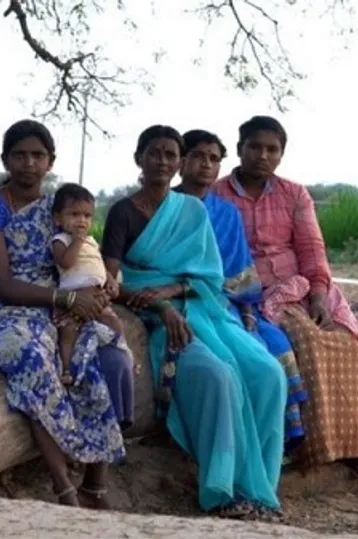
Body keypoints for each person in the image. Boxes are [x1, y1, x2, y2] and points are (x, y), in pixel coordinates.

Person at [101, 125, 288, 520]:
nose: (163, 162)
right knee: (217, 376)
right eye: (155, 153)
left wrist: (170, 294)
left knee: (269, 373)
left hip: (206, 311)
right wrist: (162, 309)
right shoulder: (123, 212)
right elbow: (111, 281)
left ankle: (261, 490)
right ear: (139, 158)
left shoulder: (192, 211)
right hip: (156, 320)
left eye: (171, 154)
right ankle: (221, 490)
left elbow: (209, 277)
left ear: (179, 161)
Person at [0, 119, 134, 510]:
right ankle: (62, 488)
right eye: (19, 155)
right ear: (4, 159)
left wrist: (101, 287)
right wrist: (66, 302)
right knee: (32, 354)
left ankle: (95, 482)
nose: (28, 163)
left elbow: (79, 256)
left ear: (50, 162)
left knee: (99, 349)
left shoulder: (57, 209)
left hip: (52, 303)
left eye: (38, 155)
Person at [212, 115, 358, 478]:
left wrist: (318, 293)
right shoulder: (216, 195)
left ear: (282, 155)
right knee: (306, 340)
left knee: (346, 342)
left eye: (272, 149)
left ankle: (352, 447)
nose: (263, 155)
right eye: (255, 147)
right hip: (248, 291)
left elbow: (311, 247)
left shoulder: (294, 193)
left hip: (298, 286)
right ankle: (309, 447)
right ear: (239, 150)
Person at [175, 129, 307, 455]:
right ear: (181, 161)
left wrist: (245, 306)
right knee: (226, 366)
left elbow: (242, 276)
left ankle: (278, 445)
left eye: (213, 159)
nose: (205, 165)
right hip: (178, 303)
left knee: (276, 351)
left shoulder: (226, 213)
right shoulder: (164, 207)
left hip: (228, 306)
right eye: (197, 157)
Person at [50, 183, 126, 386]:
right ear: (59, 218)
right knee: (67, 332)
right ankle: (65, 368)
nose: (81, 221)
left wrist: (110, 279)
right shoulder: (61, 240)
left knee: (115, 323)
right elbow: (65, 262)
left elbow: (98, 264)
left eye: (86, 216)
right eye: (74, 215)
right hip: (72, 299)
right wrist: (76, 241)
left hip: (97, 297)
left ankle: (126, 354)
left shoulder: (92, 241)